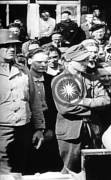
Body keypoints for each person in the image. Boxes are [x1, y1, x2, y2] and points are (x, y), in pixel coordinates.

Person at [52, 44, 110, 173]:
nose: (86, 63)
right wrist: (92, 108)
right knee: (70, 170)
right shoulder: (61, 80)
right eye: (81, 60)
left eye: (86, 59)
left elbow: (105, 101)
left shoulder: (93, 79)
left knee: (93, 170)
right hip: (71, 132)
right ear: (69, 61)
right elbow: (66, 108)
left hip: (93, 131)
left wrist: (82, 101)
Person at [0, 29, 45, 174]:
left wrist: (39, 128)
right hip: (2, 131)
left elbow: (34, 102)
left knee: (20, 170)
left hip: (23, 130)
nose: (12, 49)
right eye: (6, 46)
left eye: (14, 46)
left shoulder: (24, 71)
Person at [26, 48, 63, 173]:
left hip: (49, 123)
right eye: (39, 62)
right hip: (28, 124)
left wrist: (51, 128)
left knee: (49, 164)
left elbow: (55, 107)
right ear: (29, 61)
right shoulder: (23, 79)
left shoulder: (52, 80)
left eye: (45, 62)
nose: (43, 65)